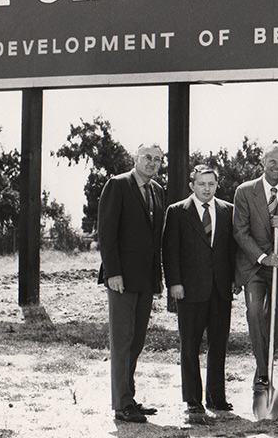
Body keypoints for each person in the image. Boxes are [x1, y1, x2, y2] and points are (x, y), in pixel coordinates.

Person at [97, 143, 165, 424]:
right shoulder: (118, 185)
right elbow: (107, 232)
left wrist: (156, 278)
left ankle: (129, 398)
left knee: (136, 341)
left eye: (158, 160)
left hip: (145, 279)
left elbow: (155, 238)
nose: (152, 163)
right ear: (135, 158)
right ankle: (121, 404)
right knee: (122, 342)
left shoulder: (157, 191)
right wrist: (113, 272)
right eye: (147, 157)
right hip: (121, 279)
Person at [162, 164, 236, 420]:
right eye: (202, 184)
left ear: (217, 186)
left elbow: (231, 251)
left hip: (220, 290)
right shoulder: (177, 212)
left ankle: (217, 397)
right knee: (190, 346)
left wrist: (234, 280)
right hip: (190, 290)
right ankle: (193, 400)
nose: (207, 189)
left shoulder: (228, 211)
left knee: (218, 345)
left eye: (211, 184)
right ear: (192, 185)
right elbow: (169, 251)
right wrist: (174, 283)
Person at [233, 142, 278, 394]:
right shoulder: (245, 191)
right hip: (254, 266)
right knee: (254, 314)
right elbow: (240, 233)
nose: (277, 166)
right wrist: (263, 257)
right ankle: (264, 375)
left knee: (275, 322)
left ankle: (262, 372)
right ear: (263, 163)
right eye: (272, 161)